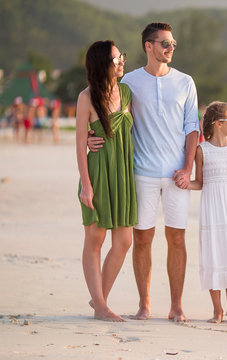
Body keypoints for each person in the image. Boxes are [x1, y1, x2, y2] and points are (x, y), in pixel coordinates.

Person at [88, 23, 199, 322]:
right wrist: (89, 134)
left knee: (177, 239)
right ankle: (145, 304)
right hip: (141, 172)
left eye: (173, 42)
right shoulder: (130, 83)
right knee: (142, 239)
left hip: (177, 174)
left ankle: (176, 305)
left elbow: (193, 129)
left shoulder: (186, 82)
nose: (170, 47)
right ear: (148, 46)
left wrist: (188, 168)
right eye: (164, 43)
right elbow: (101, 104)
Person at [75, 40, 136, 321]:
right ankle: (101, 307)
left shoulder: (126, 92)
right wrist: (86, 185)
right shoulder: (86, 98)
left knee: (124, 241)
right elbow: (79, 144)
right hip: (98, 173)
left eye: (121, 56)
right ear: (102, 65)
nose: (122, 61)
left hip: (123, 173)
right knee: (95, 239)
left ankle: (99, 300)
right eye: (116, 59)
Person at [188, 101, 227, 324]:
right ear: (217, 124)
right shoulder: (201, 150)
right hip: (212, 211)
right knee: (214, 255)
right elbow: (200, 182)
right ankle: (217, 310)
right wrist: (185, 182)